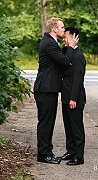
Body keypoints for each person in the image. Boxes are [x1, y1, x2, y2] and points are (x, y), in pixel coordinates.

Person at [33, 17, 74, 164]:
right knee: (46, 122)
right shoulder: (49, 43)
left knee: (48, 122)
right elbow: (64, 61)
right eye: (62, 27)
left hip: (47, 88)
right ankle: (44, 154)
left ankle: (46, 152)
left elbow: (60, 59)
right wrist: (70, 47)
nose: (64, 29)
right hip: (45, 88)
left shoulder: (51, 42)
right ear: (54, 29)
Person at [60, 27, 85, 166]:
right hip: (65, 97)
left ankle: (79, 156)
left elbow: (78, 79)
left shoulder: (78, 56)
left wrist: (73, 98)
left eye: (66, 37)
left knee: (76, 128)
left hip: (74, 98)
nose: (63, 39)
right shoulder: (68, 53)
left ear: (74, 38)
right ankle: (70, 151)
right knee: (68, 127)